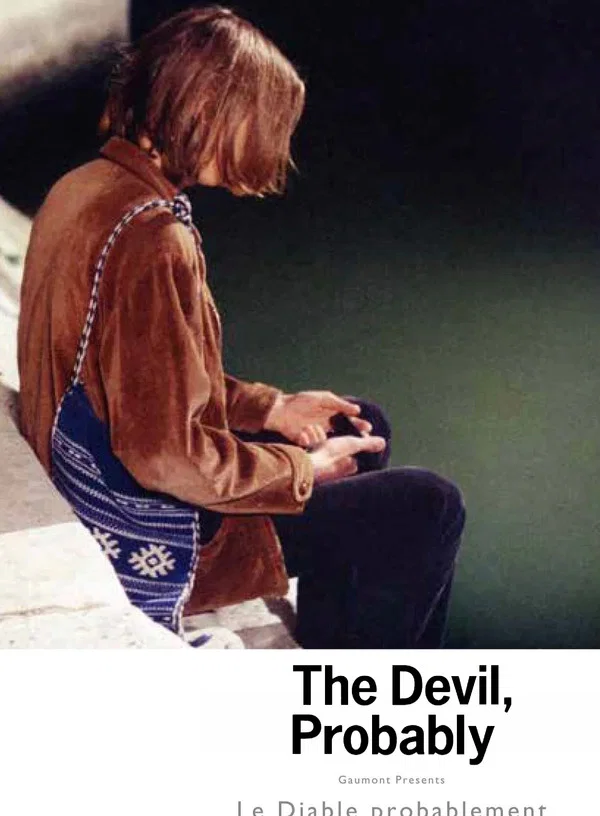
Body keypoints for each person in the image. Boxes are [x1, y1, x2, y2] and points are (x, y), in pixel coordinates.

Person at [17, 6, 465, 648]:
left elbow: (143, 382)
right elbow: (163, 455)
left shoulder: (88, 186)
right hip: (144, 527)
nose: (268, 151)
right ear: (204, 108)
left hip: (98, 473)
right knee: (428, 507)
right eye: (260, 125)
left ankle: (337, 642)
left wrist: (273, 409)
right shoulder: (152, 238)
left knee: (362, 426)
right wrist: (297, 470)